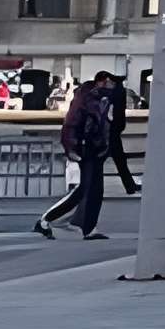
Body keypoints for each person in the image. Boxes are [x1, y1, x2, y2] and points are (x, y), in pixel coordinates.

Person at [38, 74, 113, 240]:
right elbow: (72, 124)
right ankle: (47, 219)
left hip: (94, 148)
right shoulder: (87, 98)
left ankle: (88, 228)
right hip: (85, 147)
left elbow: (102, 125)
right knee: (83, 189)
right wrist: (71, 148)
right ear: (102, 82)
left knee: (95, 190)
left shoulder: (101, 99)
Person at [102, 73, 139, 198]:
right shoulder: (121, 92)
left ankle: (130, 186)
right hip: (115, 131)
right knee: (120, 161)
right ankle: (130, 186)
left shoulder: (111, 94)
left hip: (110, 131)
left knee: (102, 160)